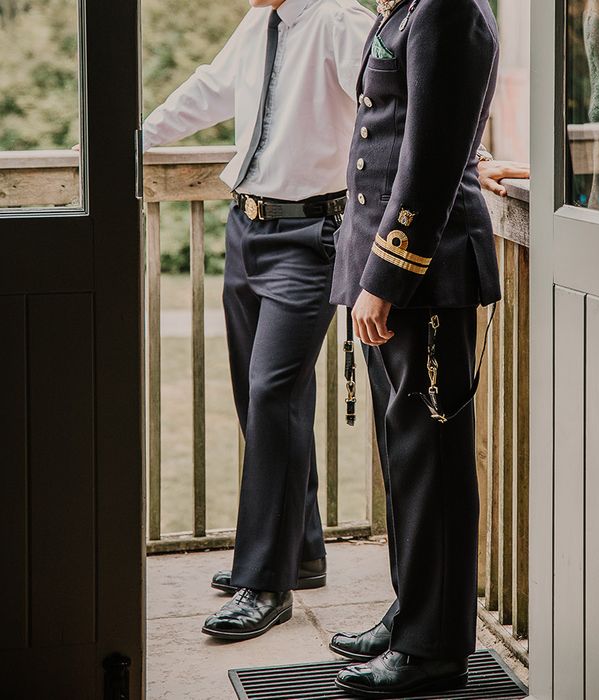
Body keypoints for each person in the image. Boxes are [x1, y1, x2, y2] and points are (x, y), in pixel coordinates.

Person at [141, 0, 374, 641]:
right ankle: (301, 551)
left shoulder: (339, 22)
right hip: (246, 229)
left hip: (313, 234)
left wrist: (475, 160)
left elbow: (398, 106)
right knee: (259, 398)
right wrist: (131, 141)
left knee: (275, 395)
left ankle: (265, 585)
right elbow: (210, 89)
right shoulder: (260, 21)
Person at [327, 0, 502, 695]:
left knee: (431, 464)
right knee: (406, 461)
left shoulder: (449, 8)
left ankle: (434, 648)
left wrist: (387, 277)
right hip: (400, 274)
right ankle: (413, 610)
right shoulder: (411, 7)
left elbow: (429, 155)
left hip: (424, 277)